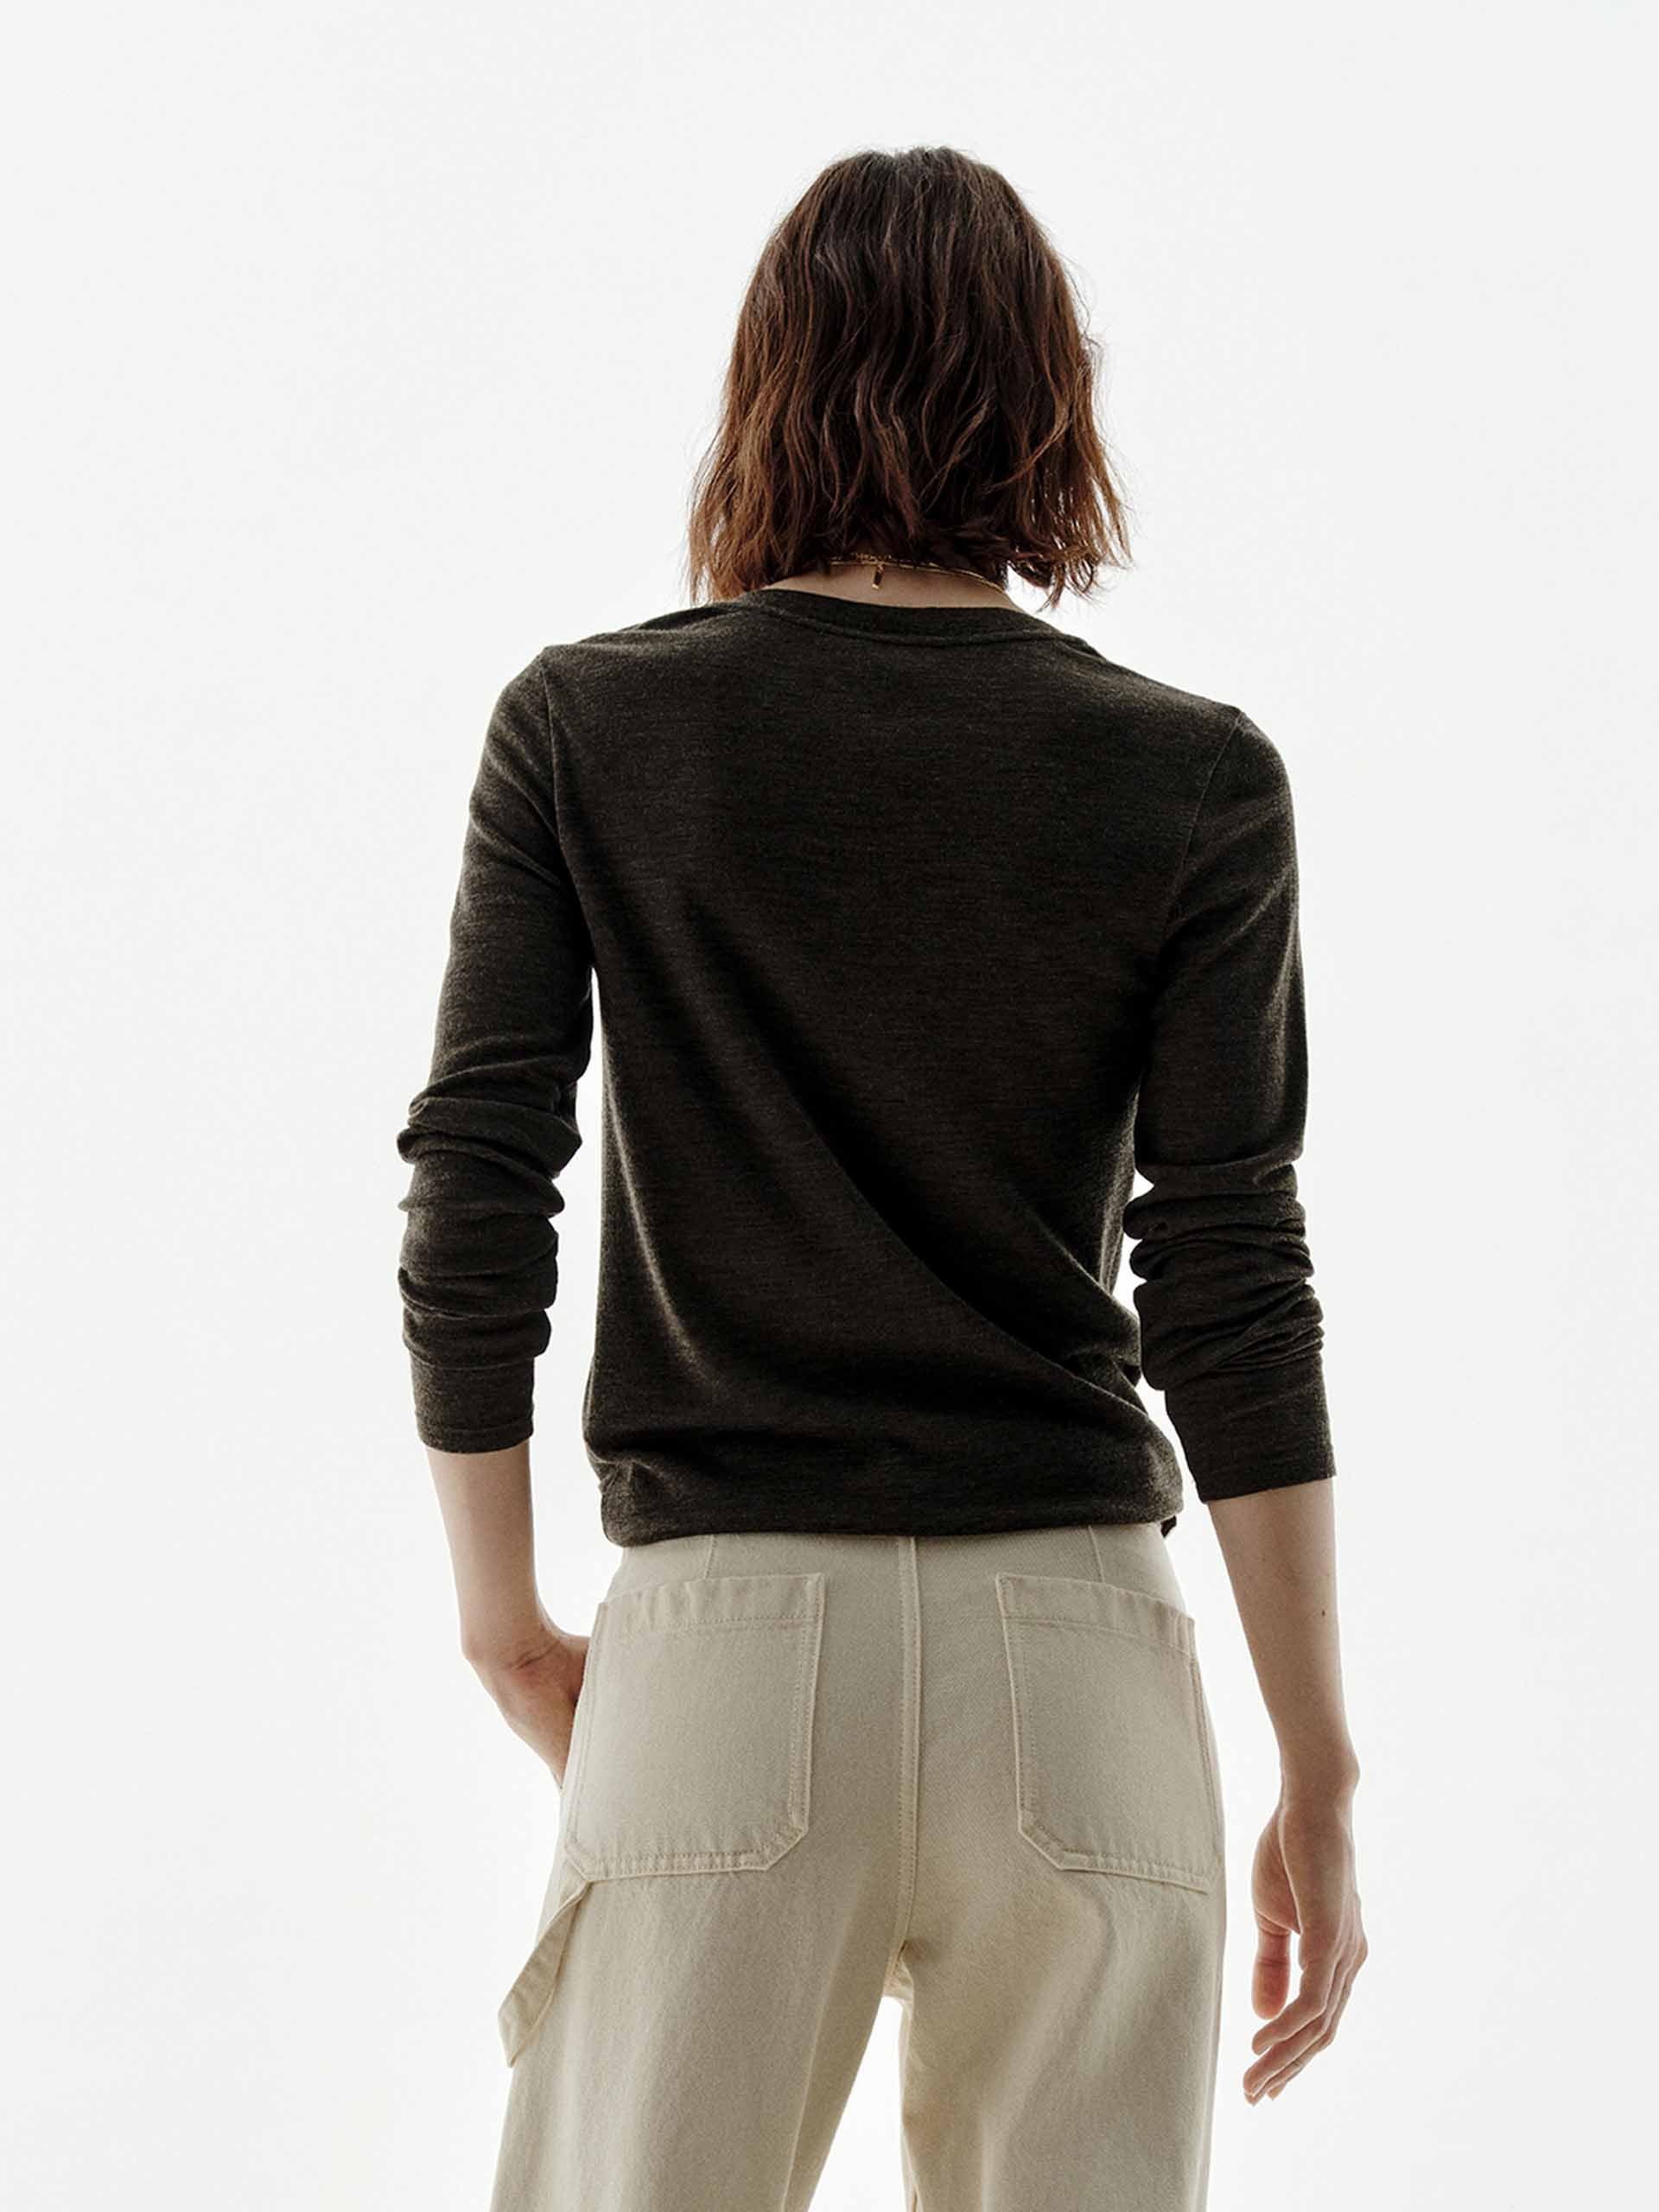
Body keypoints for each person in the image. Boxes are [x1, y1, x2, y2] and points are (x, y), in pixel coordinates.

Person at [393, 143, 1366, 2212]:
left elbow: (482, 1175)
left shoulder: (588, 728)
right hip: (1079, 1655)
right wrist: (1320, 1756)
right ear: (1048, 398)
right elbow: (1230, 1269)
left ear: (768, 389)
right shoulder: (1195, 776)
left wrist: (501, 1617)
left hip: (731, 1634)